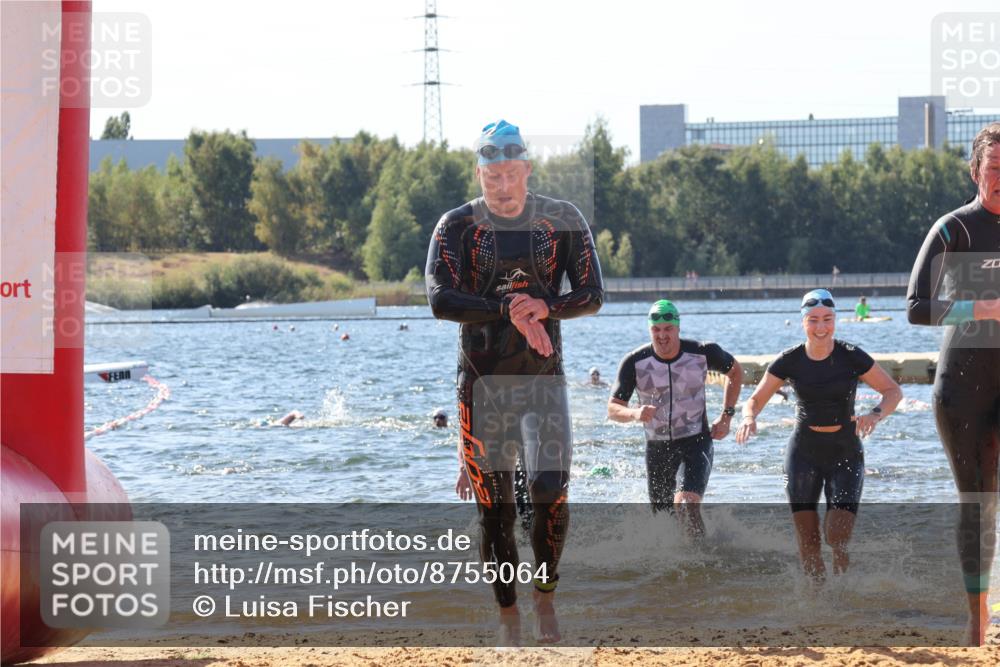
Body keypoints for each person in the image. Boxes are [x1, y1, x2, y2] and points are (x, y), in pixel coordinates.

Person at [427, 119, 603, 644]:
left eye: (511, 174)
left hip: (543, 382)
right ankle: (508, 617)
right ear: (479, 174)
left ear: (526, 168)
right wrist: (508, 308)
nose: (502, 187)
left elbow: (593, 293)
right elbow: (440, 300)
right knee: (495, 511)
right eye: (491, 177)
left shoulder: (562, 220)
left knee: (550, 488)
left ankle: (544, 599)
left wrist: (546, 304)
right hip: (481, 387)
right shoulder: (456, 227)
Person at [906, 121, 1000, 646]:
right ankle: (977, 615)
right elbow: (916, 308)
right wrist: (981, 306)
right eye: (994, 170)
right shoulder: (955, 229)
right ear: (975, 171)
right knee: (979, 504)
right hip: (964, 385)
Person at [736, 289, 902, 584]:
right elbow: (754, 400)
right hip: (803, 453)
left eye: (827, 319)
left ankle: (842, 592)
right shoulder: (789, 360)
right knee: (808, 540)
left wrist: (875, 414)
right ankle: (816, 600)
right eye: (813, 320)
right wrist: (749, 418)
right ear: (803, 322)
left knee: (837, 536)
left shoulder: (852, 356)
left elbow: (893, 391)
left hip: (846, 452)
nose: (821, 327)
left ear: (835, 320)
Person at [607, 300, 743, 536]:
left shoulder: (702, 352)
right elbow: (613, 408)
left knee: (686, 506)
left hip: (696, 442)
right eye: (656, 329)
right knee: (664, 524)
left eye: (668, 328)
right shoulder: (634, 362)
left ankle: (701, 562)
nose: (662, 335)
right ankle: (679, 564)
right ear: (650, 330)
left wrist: (726, 416)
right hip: (657, 449)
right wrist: (635, 414)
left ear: (678, 328)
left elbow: (735, 371)